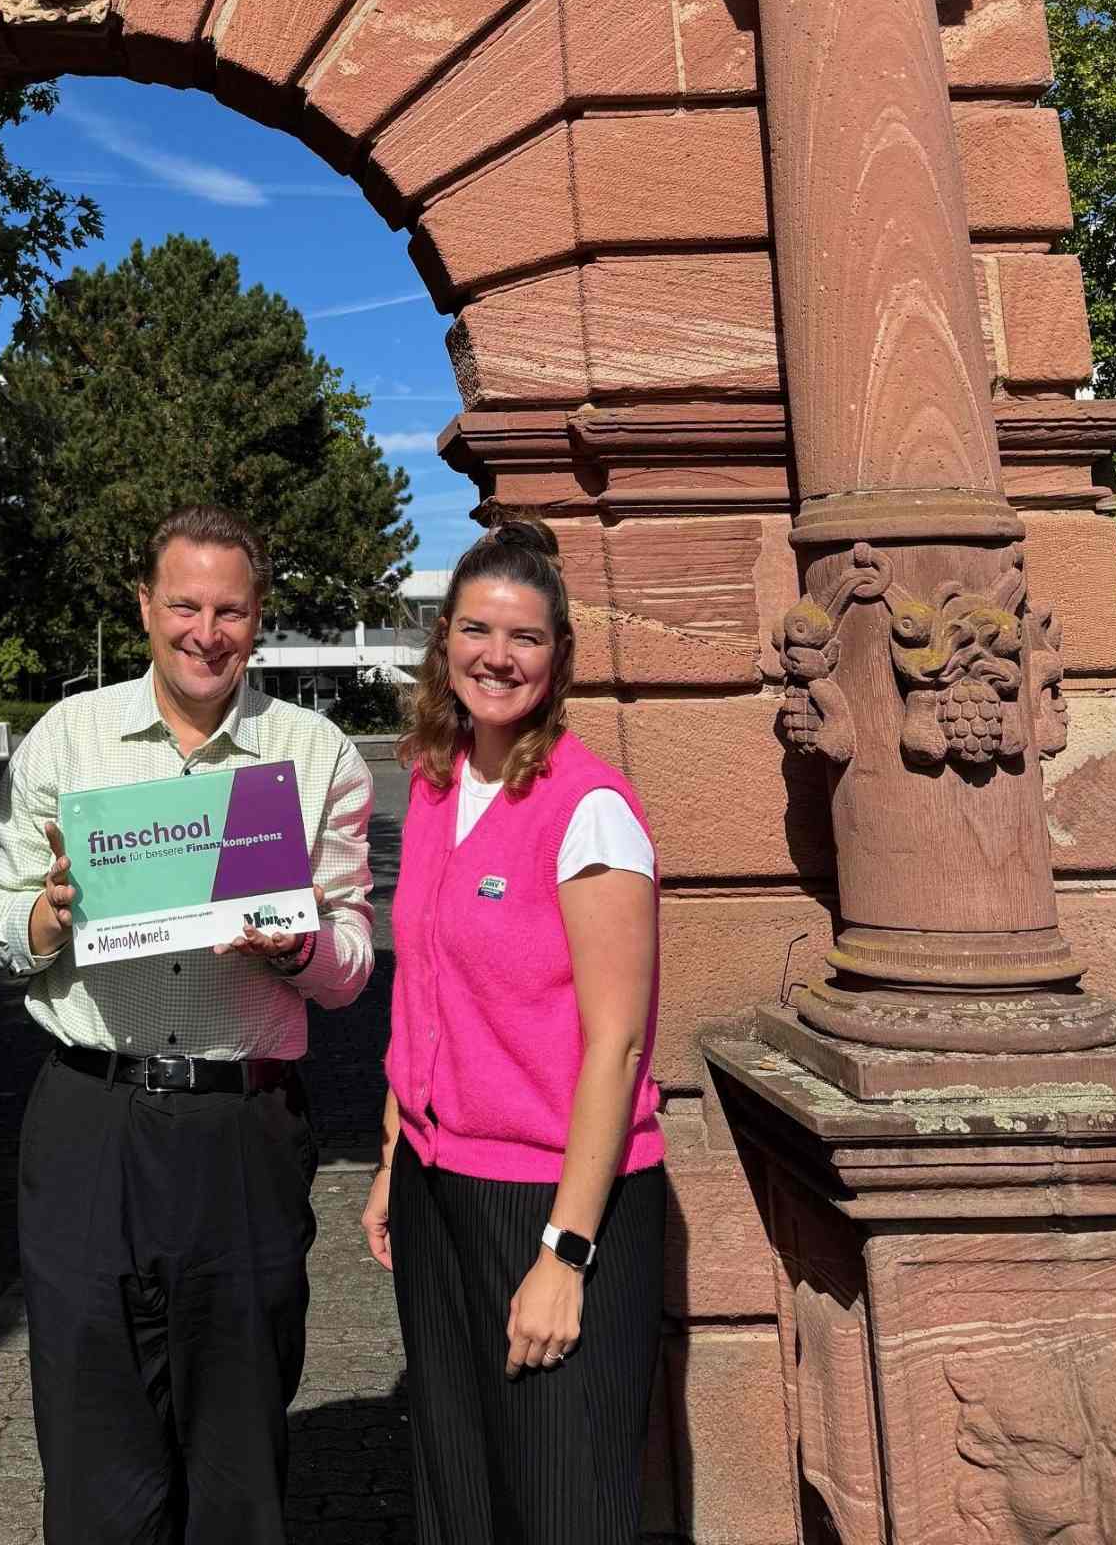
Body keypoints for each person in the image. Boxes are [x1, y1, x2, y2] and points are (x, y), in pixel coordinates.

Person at [0, 504, 375, 1545]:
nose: (208, 630)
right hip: (88, 1121)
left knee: (239, 1456)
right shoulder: (70, 737)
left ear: (258, 616)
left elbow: (350, 968)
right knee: (92, 1444)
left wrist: (296, 946)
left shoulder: (317, 752)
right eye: (186, 605)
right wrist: (50, 913)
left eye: (232, 609)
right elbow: (1, 930)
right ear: (146, 606)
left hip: (240, 1129)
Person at [362, 520, 664, 1545]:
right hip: (439, 1187)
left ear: (559, 656)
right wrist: (397, 1148)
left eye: (526, 637)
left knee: (562, 1500)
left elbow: (617, 1043)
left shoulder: (589, 807)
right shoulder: (438, 782)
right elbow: (430, 997)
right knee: (460, 1495)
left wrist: (564, 1255)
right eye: (479, 631)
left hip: (552, 1195)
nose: (499, 655)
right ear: (445, 641)